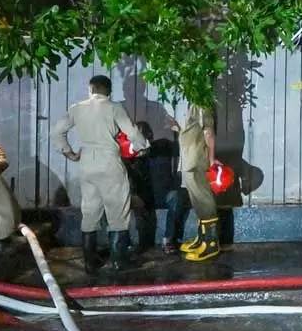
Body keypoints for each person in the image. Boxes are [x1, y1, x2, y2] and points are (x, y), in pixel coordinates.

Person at [50, 75, 147, 275]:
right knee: (118, 211)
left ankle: (90, 262)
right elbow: (133, 133)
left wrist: (69, 152)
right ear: (109, 91)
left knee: (90, 210)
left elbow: (57, 132)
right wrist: (142, 147)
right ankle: (118, 261)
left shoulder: (77, 108)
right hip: (109, 161)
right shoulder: (114, 108)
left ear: (91, 88)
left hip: (86, 162)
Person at [166, 104, 221, 262]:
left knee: (204, 200)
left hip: (197, 161)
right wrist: (178, 128)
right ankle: (202, 239)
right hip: (190, 160)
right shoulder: (193, 103)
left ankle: (210, 244)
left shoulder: (201, 103)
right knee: (197, 201)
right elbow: (194, 132)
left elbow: (208, 133)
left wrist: (211, 160)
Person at [122, 121, 159, 254]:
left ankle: (144, 243)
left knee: (144, 209)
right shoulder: (125, 155)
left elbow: (146, 150)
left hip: (145, 193)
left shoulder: (149, 154)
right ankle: (128, 244)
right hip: (130, 192)